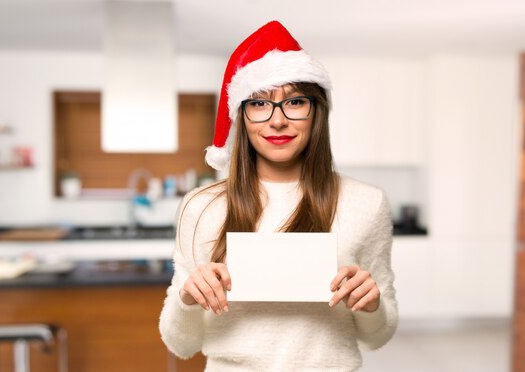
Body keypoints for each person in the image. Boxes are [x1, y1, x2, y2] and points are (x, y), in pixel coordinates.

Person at [159, 20, 397, 371]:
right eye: (259, 104)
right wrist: (187, 297)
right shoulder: (202, 206)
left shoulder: (367, 203)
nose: (277, 121)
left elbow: (378, 336)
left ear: (316, 112)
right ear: (242, 115)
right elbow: (180, 343)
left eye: (295, 102)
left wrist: (372, 303)